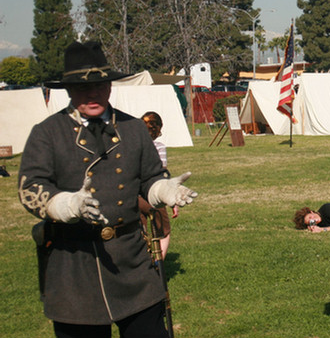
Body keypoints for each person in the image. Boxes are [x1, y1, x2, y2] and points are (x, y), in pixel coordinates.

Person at [17, 41, 198, 338]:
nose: (93, 94)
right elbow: (30, 187)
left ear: (110, 87)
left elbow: (150, 177)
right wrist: (66, 205)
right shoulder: (47, 133)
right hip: (74, 265)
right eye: (82, 88)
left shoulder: (133, 129)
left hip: (131, 263)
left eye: (100, 86)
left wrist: (163, 190)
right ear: (68, 91)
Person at [138, 111, 178, 257]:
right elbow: (161, 174)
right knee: (163, 231)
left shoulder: (132, 146)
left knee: (139, 232)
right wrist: (172, 200)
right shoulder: (159, 147)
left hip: (134, 195)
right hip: (153, 195)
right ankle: (158, 265)